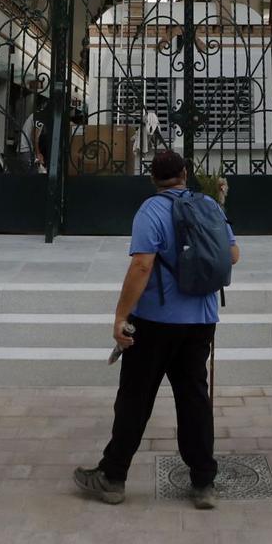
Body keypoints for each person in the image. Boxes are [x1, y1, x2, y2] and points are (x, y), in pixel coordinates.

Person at [74, 149, 240, 508]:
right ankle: (203, 482)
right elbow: (233, 255)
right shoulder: (208, 205)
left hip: (155, 321)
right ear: (184, 173)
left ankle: (113, 476)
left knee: (135, 398)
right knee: (194, 397)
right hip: (202, 320)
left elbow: (142, 266)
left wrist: (120, 316)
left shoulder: (150, 210)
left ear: (153, 178)